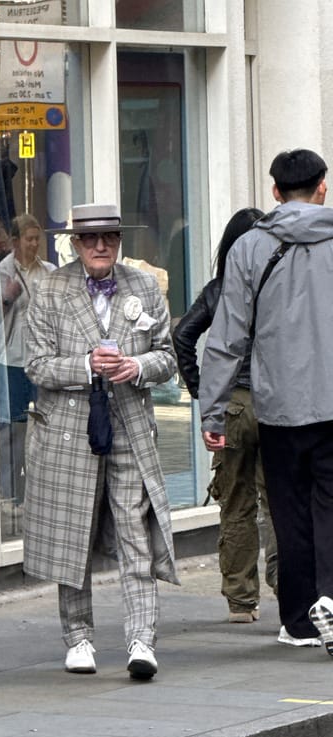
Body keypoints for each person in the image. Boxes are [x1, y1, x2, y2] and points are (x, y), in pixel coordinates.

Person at [23, 202, 179, 680]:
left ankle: (141, 639)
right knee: (75, 534)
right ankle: (79, 637)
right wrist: (87, 365)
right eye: (89, 239)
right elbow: (36, 365)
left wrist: (136, 367)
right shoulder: (49, 288)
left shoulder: (145, 286)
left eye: (108, 237)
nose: (99, 246)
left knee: (135, 531)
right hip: (70, 430)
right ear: (74, 243)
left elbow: (168, 356)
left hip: (130, 424)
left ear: (120, 241)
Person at [199, 149, 333, 655]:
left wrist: (213, 410)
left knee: (288, 510)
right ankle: (331, 598)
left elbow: (226, 336)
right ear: (323, 185)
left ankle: (299, 621)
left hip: (276, 404)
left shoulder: (251, 249)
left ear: (275, 192)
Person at [173, 208, 278, 624]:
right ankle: (289, 591)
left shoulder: (218, 289)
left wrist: (202, 392)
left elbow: (183, 335)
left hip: (231, 404)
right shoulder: (277, 284)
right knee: (280, 504)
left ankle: (241, 601)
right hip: (274, 403)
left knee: (235, 503)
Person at [0, 213, 56, 509]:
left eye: (37, 239)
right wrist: (6, 299)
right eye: (28, 239)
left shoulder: (50, 272)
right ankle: (10, 492)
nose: (34, 244)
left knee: (46, 423)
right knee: (12, 428)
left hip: (43, 358)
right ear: (15, 242)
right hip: (12, 358)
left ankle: (40, 490)